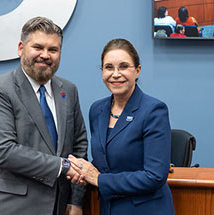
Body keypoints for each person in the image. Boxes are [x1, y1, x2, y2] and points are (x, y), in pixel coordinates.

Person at [0, 16, 88, 215]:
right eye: (38, 47)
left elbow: (79, 146)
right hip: (10, 207)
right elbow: (3, 151)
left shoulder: (69, 91)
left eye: (53, 50)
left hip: (59, 207)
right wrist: (62, 166)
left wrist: (76, 201)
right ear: (21, 48)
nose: (45, 55)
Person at [69, 39, 175, 215]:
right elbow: (107, 161)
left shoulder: (154, 110)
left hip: (145, 209)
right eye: (109, 67)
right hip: (109, 208)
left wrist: (98, 179)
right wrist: (82, 172)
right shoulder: (97, 109)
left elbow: (154, 176)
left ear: (137, 71)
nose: (116, 74)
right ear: (102, 71)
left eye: (124, 66)